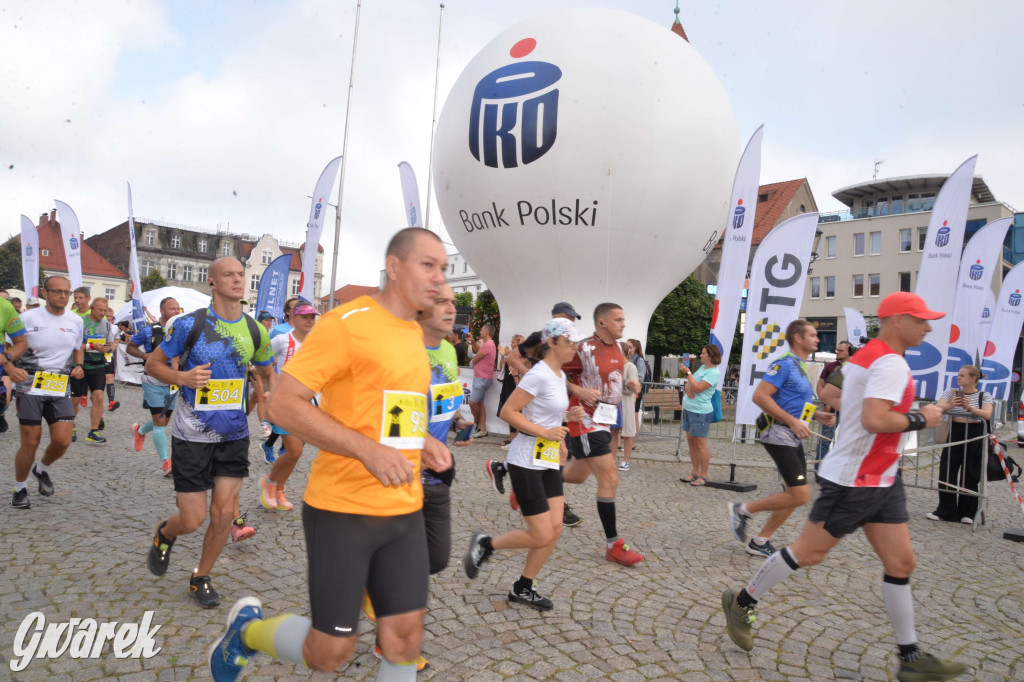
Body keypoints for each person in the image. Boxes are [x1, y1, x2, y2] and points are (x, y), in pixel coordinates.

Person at [206, 227, 452, 681]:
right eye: (428, 265)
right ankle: (246, 634)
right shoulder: (347, 323)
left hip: (405, 510)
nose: (439, 277)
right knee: (330, 653)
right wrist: (367, 451)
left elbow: (388, 408)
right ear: (394, 267)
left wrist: (422, 439)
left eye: (444, 268)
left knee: (404, 638)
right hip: (343, 510)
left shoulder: (413, 333)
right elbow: (283, 405)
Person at [721, 292, 967, 682]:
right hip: (855, 479)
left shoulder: (865, 357)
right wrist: (923, 418)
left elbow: (830, 394)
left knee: (901, 564)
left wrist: (846, 410)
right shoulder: (888, 362)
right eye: (921, 320)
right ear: (897, 321)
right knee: (809, 553)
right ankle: (742, 601)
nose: (928, 327)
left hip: (884, 477)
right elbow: (874, 420)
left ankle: (910, 657)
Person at [144, 257, 274, 609]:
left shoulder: (255, 330)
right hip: (192, 435)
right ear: (212, 282)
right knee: (192, 519)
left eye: (241, 274)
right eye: (228, 275)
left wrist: (270, 396)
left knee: (222, 514)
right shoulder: (190, 324)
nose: (237, 280)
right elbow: (153, 364)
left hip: (234, 435)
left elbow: (267, 371)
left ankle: (200, 576)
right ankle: (165, 533)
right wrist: (182, 377)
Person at [465, 318, 586, 610]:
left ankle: (523, 587)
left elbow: (541, 411)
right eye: (569, 342)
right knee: (541, 533)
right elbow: (508, 412)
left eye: (576, 342)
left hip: (547, 460)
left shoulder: (558, 375)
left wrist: (566, 418)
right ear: (552, 342)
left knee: (554, 529)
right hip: (525, 462)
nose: (575, 347)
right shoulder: (539, 375)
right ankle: (486, 544)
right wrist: (545, 432)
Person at [727, 320, 836, 557]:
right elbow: (760, 396)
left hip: (791, 434)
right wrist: (792, 422)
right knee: (801, 494)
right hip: (777, 433)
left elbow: (795, 404)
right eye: (812, 335)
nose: (818, 339)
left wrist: (816, 416)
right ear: (798, 338)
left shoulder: (801, 366)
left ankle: (760, 541)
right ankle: (742, 510)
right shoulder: (784, 364)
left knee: (794, 495)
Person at [562, 303, 645, 566]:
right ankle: (613, 545)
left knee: (576, 475)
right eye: (618, 319)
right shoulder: (583, 348)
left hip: (605, 420)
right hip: (585, 420)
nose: (623, 324)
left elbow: (611, 377)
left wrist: (630, 383)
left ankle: (530, 477)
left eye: (623, 319)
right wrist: (578, 391)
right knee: (609, 476)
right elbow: (551, 373)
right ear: (602, 323)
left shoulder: (618, 348)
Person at [10, 276, 83, 509]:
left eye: (66, 292)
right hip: (30, 383)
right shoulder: (27, 318)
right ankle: (19, 488)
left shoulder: (75, 321)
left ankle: (40, 469)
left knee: (62, 441)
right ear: (45, 293)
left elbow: (77, 347)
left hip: (59, 384)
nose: (63, 296)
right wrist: (10, 368)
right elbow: (8, 346)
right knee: (30, 442)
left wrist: (79, 365)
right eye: (57, 291)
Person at [258, 303, 320, 512]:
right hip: (285, 403)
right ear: (294, 317)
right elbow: (263, 363)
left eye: (312, 317)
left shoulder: (317, 342)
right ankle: (269, 483)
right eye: (305, 317)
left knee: (295, 453)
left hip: (309, 403)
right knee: (293, 450)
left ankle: (279, 488)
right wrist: (270, 388)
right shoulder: (282, 339)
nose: (309, 321)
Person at [927, 365, 993, 524]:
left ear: (973, 378)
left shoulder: (984, 395)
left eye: (962, 375)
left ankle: (968, 512)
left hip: (975, 433)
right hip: (955, 431)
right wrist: (950, 405)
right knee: (947, 470)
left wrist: (969, 408)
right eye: (958, 374)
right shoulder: (951, 392)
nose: (958, 377)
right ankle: (946, 510)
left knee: (970, 473)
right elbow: (938, 406)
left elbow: (987, 414)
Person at [127, 297, 181, 476]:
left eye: (178, 309)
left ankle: (140, 430)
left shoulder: (181, 330)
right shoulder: (149, 330)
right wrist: (144, 356)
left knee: (163, 421)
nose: (177, 312)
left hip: (172, 383)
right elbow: (130, 347)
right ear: (162, 311)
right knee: (159, 423)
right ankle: (166, 462)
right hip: (153, 381)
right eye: (172, 309)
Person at [72, 298, 117, 444]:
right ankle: (70, 425)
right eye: (100, 310)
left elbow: (112, 343)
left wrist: (108, 349)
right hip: (80, 365)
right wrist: (92, 347)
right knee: (76, 399)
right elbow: (74, 345)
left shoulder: (107, 324)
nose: (103, 313)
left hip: (98, 365)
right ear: (92, 307)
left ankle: (94, 430)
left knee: (98, 397)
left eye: (105, 310)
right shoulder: (80, 322)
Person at [679, 344, 721, 485]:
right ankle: (695, 472)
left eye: (703, 353)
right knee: (691, 442)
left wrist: (688, 373)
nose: (701, 355)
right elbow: (689, 384)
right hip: (689, 408)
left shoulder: (714, 373)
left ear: (711, 356)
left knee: (700, 443)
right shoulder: (703, 368)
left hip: (700, 412)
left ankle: (704, 475)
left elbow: (697, 388)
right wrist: (689, 387)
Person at [815, 341, 852, 467]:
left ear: (849, 352)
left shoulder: (855, 367)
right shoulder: (830, 366)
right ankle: (819, 468)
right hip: (831, 411)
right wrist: (826, 401)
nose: (837, 352)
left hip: (848, 411)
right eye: (837, 350)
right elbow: (820, 386)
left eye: (840, 351)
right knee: (825, 440)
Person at [497, 334, 525, 449]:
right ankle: (512, 438)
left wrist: (508, 356)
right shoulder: (510, 355)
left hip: (515, 386)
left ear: (518, 345)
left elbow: (518, 371)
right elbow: (502, 368)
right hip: (507, 385)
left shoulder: (522, 358)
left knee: (514, 413)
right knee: (507, 412)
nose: (510, 344)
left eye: (513, 343)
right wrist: (503, 356)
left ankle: (515, 440)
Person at [469, 323, 497, 438]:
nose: (480, 331)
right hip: (482, 377)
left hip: (482, 378)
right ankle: (483, 429)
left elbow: (475, 359)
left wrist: (472, 360)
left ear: (487, 332)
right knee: (480, 404)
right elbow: (478, 351)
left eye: (482, 330)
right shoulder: (489, 344)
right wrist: (472, 342)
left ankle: (476, 422)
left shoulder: (488, 344)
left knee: (472, 402)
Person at [617, 342, 641, 471]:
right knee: (613, 432)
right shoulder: (616, 365)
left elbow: (632, 388)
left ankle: (626, 460)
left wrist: (621, 382)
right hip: (615, 402)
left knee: (627, 432)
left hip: (626, 403)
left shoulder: (631, 367)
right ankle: (610, 458)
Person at [627, 338, 648, 442]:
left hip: (635, 391)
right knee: (629, 415)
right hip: (628, 391)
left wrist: (630, 383)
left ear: (634, 348)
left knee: (634, 415)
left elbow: (640, 377)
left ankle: (633, 441)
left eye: (629, 346)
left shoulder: (639, 360)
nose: (627, 348)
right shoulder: (628, 358)